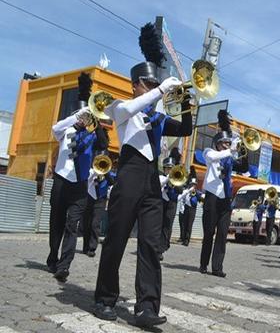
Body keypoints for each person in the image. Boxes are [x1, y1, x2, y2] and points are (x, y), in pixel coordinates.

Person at [93, 60, 192, 327]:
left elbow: (185, 129)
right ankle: (104, 298)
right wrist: (160, 92)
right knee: (116, 238)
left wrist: (185, 103)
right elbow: (126, 108)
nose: (153, 88)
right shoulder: (121, 107)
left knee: (150, 244)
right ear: (135, 85)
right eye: (148, 84)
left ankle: (146, 307)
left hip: (151, 178)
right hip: (129, 173)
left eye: (155, 85)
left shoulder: (156, 117)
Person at [47, 72, 100, 282]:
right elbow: (54, 128)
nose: (83, 119)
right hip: (61, 180)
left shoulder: (92, 134)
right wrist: (76, 117)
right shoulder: (65, 130)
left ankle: (64, 265)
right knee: (56, 223)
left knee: (72, 225)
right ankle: (53, 257)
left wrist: (93, 117)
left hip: (80, 185)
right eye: (81, 116)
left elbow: (103, 142)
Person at [199, 110, 248, 277]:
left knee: (222, 234)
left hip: (226, 199)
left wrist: (244, 148)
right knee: (208, 233)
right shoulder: (209, 152)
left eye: (229, 143)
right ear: (218, 143)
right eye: (225, 143)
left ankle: (217, 267)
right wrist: (230, 149)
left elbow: (244, 168)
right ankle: (203, 264)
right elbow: (213, 157)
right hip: (212, 197)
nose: (228, 145)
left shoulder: (230, 159)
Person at [83, 150, 115, 258]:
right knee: (86, 223)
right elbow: (86, 180)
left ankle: (92, 248)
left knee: (95, 224)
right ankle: (85, 246)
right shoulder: (91, 171)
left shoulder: (108, 173)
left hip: (101, 199)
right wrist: (95, 173)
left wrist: (105, 172)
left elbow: (112, 182)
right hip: (89, 198)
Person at [158, 151, 182, 260]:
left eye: (171, 169)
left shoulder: (177, 179)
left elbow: (180, 191)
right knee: (159, 225)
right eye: (167, 169)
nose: (169, 171)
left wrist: (174, 183)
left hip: (172, 204)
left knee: (167, 225)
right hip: (161, 202)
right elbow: (159, 186)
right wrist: (167, 179)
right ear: (164, 169)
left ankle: (163, 245)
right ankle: (158, 250)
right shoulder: (161, 178)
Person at [179, 182, 200, 246]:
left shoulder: (197, 192)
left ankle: (187, 240)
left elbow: (199, 198)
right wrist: (188, 191)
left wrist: (195, 193)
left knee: (189, 225)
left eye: (194, 185)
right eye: (191, 185)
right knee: (184, 224)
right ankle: (183, 239)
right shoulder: (186, 191)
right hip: (186, 208)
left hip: (192, 209)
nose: (193, 186)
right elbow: (182, 198)